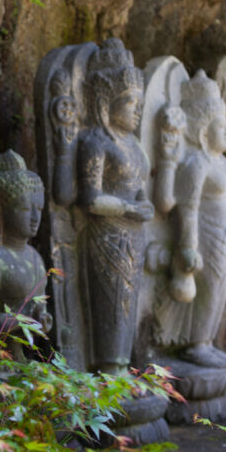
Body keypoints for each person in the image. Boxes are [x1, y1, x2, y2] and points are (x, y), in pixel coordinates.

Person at [76, 38, 154, 374]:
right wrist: (128, 209)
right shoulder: (96, 142)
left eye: (140, 103)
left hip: (134, 235)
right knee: (110, 300)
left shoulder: (134, 145)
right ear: (106, 102)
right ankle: (108, 368)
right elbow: (90, 198)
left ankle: (122, 366)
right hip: (106, 235)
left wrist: (142, 205)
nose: (137, 110)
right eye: (131, 102)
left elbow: (140, 188)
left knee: (128, 303)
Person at [156, 71, 226, 368]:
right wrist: (188, 246)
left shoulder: (222, 162)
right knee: (210, 287)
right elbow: (186, 208)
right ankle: (196, 343)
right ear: (204, 133)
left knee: (222, 287)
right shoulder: (197, 163)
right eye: (222, 127)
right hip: (205, 235)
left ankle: (207, 341)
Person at [0, 150, 51, 355]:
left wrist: (42, 319)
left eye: (39, 209)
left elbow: (39, 312)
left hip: (20, 357)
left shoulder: (36, 260)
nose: (35, 217)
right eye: (25, 209)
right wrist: (22, 320)